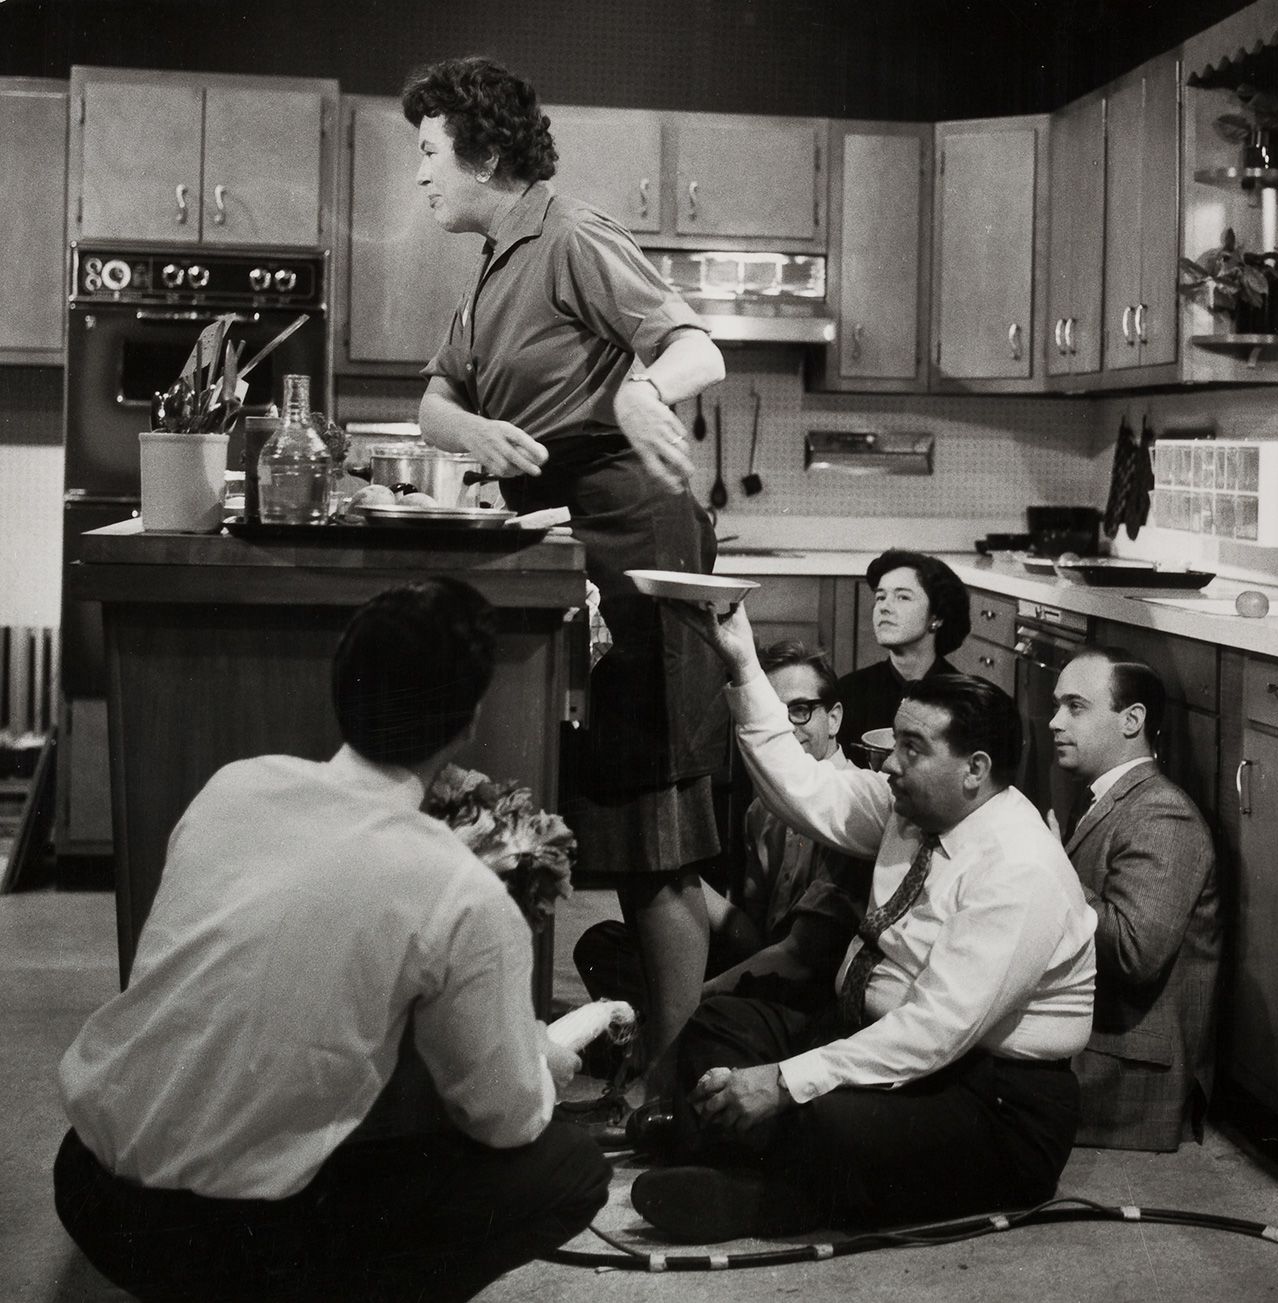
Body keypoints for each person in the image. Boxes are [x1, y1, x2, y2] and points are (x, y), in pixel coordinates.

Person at [53, 578, 610, 1303]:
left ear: (339, 687)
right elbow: (500, 1118)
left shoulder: (236, 786)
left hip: (86, 1178)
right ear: (468, 721)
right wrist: (544, 1060)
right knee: (571, 1168)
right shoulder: (462, 891)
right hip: (216, 1241)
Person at [401, 57, 729, 1099]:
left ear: (485, 153)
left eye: (428, 153)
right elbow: (434, 401)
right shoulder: (495, 263)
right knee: (581, 802)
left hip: (637, 534)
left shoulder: (571, 236)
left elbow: (694, 347)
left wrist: (644, 391)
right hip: (563, 529)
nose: (419, 177)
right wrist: (471, 429)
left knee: (654, 829)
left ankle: (681, 1086)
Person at [628, 602, 1097, 1243]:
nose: (888, 763)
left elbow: (933, 1034)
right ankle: (750, 1154)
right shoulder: (915, 804)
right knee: (726, 1022)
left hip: (994, 1099)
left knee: (828, 1118)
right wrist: (741, 659)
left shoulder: (1019, 871)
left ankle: (753, 1188)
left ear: (976, 770)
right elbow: (804, 788)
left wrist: (784, 1082)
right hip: (881, 1039)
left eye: (911, 748)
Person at [574, 640, 872, 1022]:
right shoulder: (762, 809)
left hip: (807, 990)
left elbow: (800, 959)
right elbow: (747, 933)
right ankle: (663, 1036)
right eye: (773, 714)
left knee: (684, 1002)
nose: (784, 731)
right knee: (604, 946)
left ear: (833, 719)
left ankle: (663, 1039)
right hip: (765, 962)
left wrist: (691, 999)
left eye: (799, 711)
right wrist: (671, 870)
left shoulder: (853, 807)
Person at [1049, 646, 1221, 1151]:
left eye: (1075, 707)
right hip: (1096, 1044)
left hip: (1125, 1073)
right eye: (1058, 705)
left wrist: (1049, 868)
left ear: (1132, 721)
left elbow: (1133, 953)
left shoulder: (1163, 815)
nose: (1056, 722)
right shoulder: (1110, 798)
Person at [834, 549, 971, 760]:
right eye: (881, 597)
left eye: (903, 597)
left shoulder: (965, 700)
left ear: (937, 616)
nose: (884, 607)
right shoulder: (849, 692)